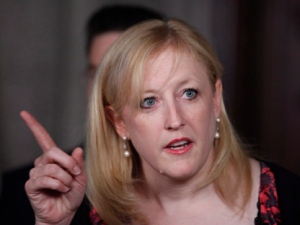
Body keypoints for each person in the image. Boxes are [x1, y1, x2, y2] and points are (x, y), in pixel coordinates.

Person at [22, 18, 300, 225]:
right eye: (149, 101)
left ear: (215, 100)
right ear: (119, 122)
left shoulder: (290, 198)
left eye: (189, 93)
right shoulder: (79, 210)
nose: (175, 120)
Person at [0, 5, 164, 225]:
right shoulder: (26, 190)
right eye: (97, 74)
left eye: (122, 74)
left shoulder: (204, 188)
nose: (104, 90)